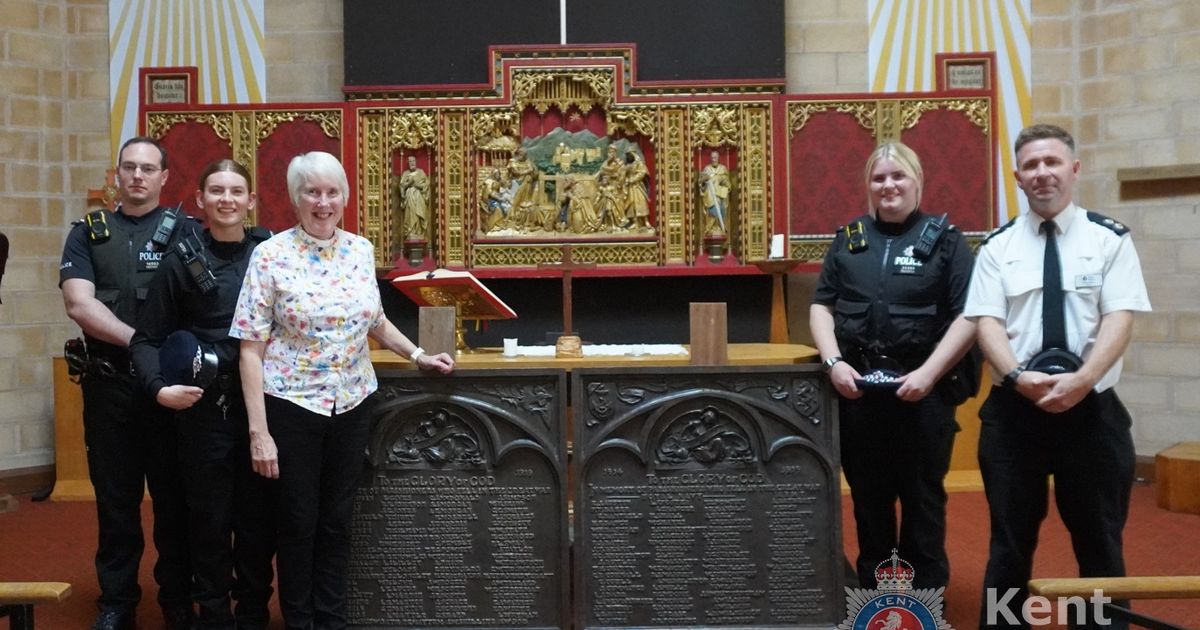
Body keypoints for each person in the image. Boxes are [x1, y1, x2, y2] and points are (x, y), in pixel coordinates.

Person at [230, 151, 455, 629]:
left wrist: (417, 355)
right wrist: (259, 433)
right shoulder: (270, 255)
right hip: (292, 405)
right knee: (297, 523)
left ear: (345, 198)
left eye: (332, 192)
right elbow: (250, 349)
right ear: (296, 198)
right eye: (312, 192)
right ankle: (300, 620)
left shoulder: (359, 250)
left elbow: (376, 321)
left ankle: (330, 619)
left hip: (352, 403)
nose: (323, 202)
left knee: (336, 521)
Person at [964, 124, 1150, 628]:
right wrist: (1015, 376)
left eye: (1052, 162)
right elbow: (987, 322)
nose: (1042, 173)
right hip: (1014, 415)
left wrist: (1084, 379)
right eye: (1031, 165)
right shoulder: (997, 246)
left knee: (1099, 543)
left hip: (1091, 414)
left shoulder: (1109, 240)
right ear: (1018, 177)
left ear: (1074, 169)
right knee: (1009, 546)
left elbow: (1120, 317)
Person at [809, 141, 976, 592]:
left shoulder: (947, 242)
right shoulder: (849, 240)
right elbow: (822, 305)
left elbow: (969, 315)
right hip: (860, 393)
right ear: (868, 185)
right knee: (869, 501)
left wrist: (929, 374)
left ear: (917, 181)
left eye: (898, 175)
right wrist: (833, 362)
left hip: (922, 392)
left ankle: (924, 600)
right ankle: (876, 597)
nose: (889, 185)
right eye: (879, 177)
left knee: (923, 501)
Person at [129, 159, 276, 630]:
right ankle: (213, 615)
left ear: (251, 201)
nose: (226, 199)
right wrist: (158, 388)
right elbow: (145, 340)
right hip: (204, 411)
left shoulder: (272, 254)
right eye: (216, 191)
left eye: (236, 191)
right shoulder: (181, 260)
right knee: (208, 521)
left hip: (264, 409)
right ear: (200, 200)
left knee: (257, 521)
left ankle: (252, 613)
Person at [59, 136, 196, 630]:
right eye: (129, 167)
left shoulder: (188, 232)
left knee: (174, 499)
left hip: (171, 390)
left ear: (164, 177)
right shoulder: (86, 233)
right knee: (116, 500)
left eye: (148, 168)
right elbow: (79, 304)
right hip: (110, 384)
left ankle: (177, 597)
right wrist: (138, 340)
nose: (138, 176)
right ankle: (117, 601)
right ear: (116, 174)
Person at [698, 150, 730, 236]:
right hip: (710, 196)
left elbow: (728, 183)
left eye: (715, 157)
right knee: (712, 211)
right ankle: (710, 228)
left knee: (721, 209)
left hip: (720, 196)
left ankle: (721, 227)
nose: (714, 159)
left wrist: (720, 179)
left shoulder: (723, 169)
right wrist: (703, 182)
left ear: (718, 158)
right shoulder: (707, 169)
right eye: (712, 158)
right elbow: (701, 184)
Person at [399, 155, 430, 241]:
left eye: (413, 161)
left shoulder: (421, 172)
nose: (412, 163)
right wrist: (409, 183)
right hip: (410, 197)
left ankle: (419, 232)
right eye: (410, 161)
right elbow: (401, 186)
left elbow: (426, 185)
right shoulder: (405, 174)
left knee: (419, 214)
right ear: (408, 163)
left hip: (419, 197)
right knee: (410, 214)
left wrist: (417, 185)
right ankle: (411, 232)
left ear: (416, 162)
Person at [623, 151, 652, 231]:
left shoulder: (639, 163)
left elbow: (642, 173)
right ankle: (635, 222)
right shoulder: (627, 165)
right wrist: (626, 179)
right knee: (631, 204)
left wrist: (633, 179)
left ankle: (646, 221)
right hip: (630, 187)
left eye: (629, 155)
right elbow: (624, 174)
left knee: (641, 202)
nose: (628, 157)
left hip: (638, 186)